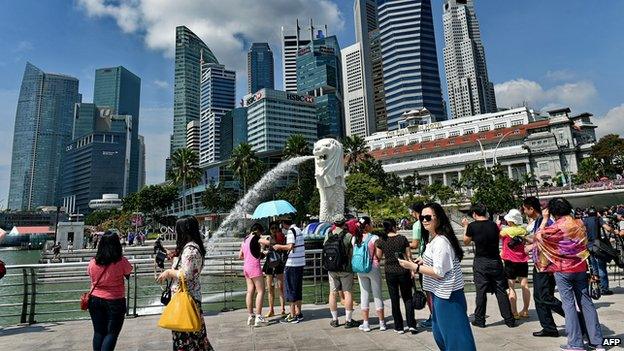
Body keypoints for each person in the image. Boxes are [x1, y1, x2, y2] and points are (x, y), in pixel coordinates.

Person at [399, 203, 476, 351]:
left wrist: (414, 267)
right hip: (439, 293)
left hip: (448, 295)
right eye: (422, 217)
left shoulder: (441, 241)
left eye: (428, 217)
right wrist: (422, 260)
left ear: (439, 219)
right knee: (441, 334)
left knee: (455, 338)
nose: (424, 220)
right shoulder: (433, 239)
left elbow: (439, 271)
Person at [534, 198, 605, 351]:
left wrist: (545, 219)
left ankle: (575, 343)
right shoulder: (580, 223)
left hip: (562, 269)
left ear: (553, 211)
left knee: (569, 305)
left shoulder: (556, 227)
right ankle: (597, 341)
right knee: (586, 302)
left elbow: (539, 236)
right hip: (580, 266)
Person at [157, 217, 213, 350]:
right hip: (189, 297)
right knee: (196, 338)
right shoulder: (189, 248)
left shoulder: (190, 249)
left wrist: (169, 272)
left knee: (187, 338)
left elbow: (186, 274)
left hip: (187, 299)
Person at [462, 203, 515, 328]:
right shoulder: (493, 225)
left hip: (481, 261)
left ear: (474, 214)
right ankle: (509, 319)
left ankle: (480, 320)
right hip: (495, 261)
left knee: (481, 292)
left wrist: (465, 226)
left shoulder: (472, 226)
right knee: (501, 290)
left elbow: (465, 241)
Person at [522, 196, 564, 338]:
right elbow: (538, 238)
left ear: (531, 209)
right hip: (539, 264)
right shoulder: (538, 222)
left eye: (525, 209)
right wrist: (524, 238)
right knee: (539, 297)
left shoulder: (546, 222)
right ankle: (548, 327)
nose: (524, 211)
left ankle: (574, 316)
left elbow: (549, 242)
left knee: (545, 296)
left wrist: (531, 246)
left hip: (546, 266)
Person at [87, 231, 132, 351]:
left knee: (98, 332)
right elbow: (128, 271)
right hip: (115, 300)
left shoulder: (93, 262)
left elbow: (91, 276)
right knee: (112, 333)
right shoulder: (121, 261)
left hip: (95, 300)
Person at [375, 219, 416, 334]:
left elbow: (378, 257)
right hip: (403, 270)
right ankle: (411, 324)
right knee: (407, 298)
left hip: (390, 271)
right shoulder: (402, 239)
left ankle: (399, 327)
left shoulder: (381, 240)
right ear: (394, 226)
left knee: (394, 299)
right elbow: (409, 256)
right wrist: (413, 270)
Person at [324, 216, 359, 328]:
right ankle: (348, 320)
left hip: (331, 268)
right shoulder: (349, 236)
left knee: (332, 293)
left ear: (334, 223)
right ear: (344, 223)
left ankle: (334, 319)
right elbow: (354, 250)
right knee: (348, 292)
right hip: (345, 269)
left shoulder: (328, 234)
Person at [352, 216, 386, 332]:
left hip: (360, 269)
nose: (372, 225)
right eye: (371, 223)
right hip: (373, 268)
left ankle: (366, 324)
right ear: (367, 225)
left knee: (364, 295)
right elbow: (379, 255)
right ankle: (381, 323)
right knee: (377, 295)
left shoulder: (355, 238)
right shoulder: (374, 238)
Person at [273, 218, 305, 324]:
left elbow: (290, 246)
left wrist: (279, 247)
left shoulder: (291, 231)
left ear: (284, 224)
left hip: (292, 264)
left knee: (290, 289)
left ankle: (292, 315)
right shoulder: (299, 230)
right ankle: (299, 313)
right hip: (300, 263)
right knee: (297, 289)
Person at [500, 209, 531, 319]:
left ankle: (514, 312)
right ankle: (526, 310)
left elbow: (498, 235)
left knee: (511, 287)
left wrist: (499, 225)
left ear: (510, 221)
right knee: (525, 285)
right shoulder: (523, 230)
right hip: (523, 260)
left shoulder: (505, 231)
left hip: (509, 261)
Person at [408, 202, 432, 329]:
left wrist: (403, 243)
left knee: (427, 290)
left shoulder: (418, 224)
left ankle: (433, 316)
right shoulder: (429, 222)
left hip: (423, 258)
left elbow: (415, 244)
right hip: (430, 257)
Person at [239, 223, 267, 327]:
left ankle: (251, 316)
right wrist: (271, 242)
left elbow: (240, 255)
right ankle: (258, 316)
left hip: (246, 267)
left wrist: (259, 254)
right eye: (261, 233)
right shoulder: (256, 237)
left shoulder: (245, 239)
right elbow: (266, 242)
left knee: (250, 291)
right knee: (260, 291)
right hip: (254, 267)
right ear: (258, 231)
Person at [583, 207, 614, 295]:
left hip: (589, 246)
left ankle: (596, 287)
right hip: (598, 245)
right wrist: (614, 231)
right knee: (601, 267)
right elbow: (607, 228)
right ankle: (604, 289)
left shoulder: (584, 221)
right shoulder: (598, 219)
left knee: (593, 267)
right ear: (596, 213)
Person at [259, 222, 286, 318]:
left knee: (281, 287)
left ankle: (283, 309)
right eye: (272, 228)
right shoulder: (267, 239)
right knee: (270, 288)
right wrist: (266, 250)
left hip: (279, 263)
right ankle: (271, 310)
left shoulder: (282, 237)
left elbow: (284, 249)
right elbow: (262, 251)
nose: (274, 230)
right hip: (269, 264)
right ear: (270, 229)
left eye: (275, 228)